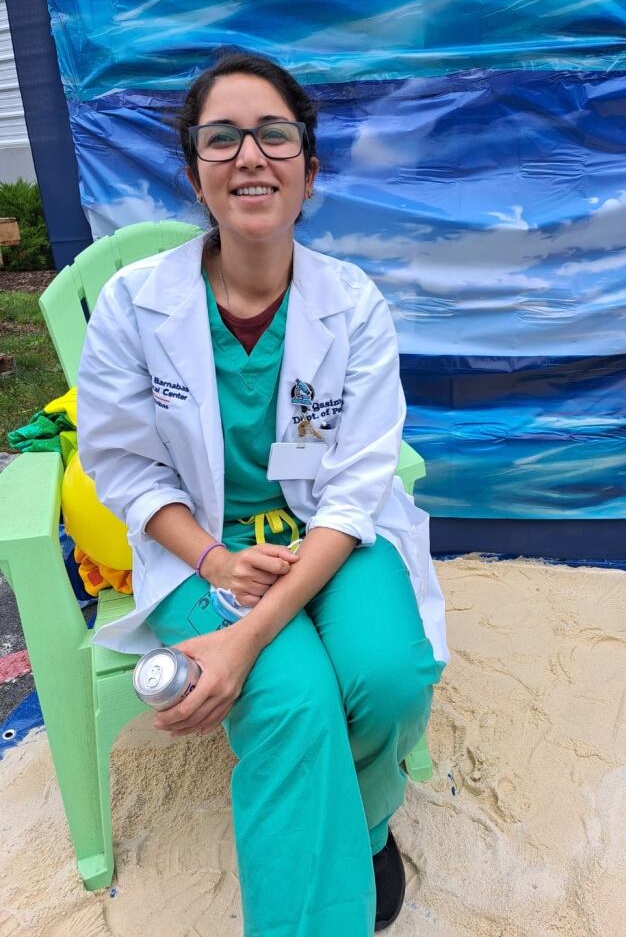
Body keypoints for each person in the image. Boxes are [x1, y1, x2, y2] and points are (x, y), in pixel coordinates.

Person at [77, 51, 448, 937]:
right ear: (196, 173)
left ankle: (360, 822)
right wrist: (215, 560)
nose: (251, 155)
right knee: (291, 703)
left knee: (390, 679)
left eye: (274, 134)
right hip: (201, 542)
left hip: (331, 535)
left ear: (309, 172)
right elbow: (124, 467)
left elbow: (357, 490)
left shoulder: (352, 305)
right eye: (223, 138)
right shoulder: (135, 307)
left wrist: (244, 636)